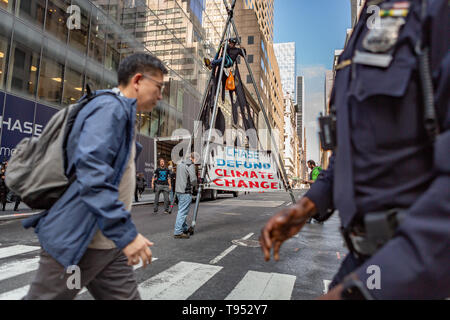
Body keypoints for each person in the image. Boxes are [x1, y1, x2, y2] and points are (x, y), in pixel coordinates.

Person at [260, 0, 449, 300]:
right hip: (365, 258)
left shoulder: (435, 11)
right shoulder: (367, 26)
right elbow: (350, 154)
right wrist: (306, 206)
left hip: (413, 266)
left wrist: (357, 294)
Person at [22, 52, 168, 300]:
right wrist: (127, 235)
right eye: (159, 86)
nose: (161, 95)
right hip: (78, 242)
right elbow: (92, 174)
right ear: (138, 80)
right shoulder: (109, 110)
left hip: (107, 245)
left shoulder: (122, 113)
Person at [174, 153, 198, 239]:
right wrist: (197, 184)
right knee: (183, 212)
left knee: (182, 210)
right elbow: (193, 179)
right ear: (193, 158)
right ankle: (178, 232)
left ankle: (184, 228)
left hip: (179, 191)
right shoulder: (190, 165)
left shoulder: (180, 164)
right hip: (185, 191)